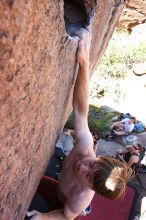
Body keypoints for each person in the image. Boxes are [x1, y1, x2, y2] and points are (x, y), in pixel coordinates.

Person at [27, 29, 133, 220]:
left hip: (64, 204)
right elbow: (80, 111)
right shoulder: (85, 148)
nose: (82, 167)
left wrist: (43, 217)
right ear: (99, 158)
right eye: (92, 164)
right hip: (58, 186)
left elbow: (66, 215)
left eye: (88, 177)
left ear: (91, 187)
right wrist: (84, 63)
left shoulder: (81, 197)